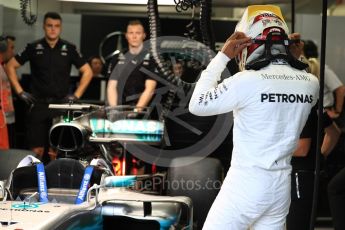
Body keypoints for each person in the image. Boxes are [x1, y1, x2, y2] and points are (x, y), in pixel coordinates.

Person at [189, 5, 319, 229]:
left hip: (246, 183)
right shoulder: (310, 83)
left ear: (249, 44)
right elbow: (289, 84)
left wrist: (222, 56)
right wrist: (293, 57)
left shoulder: (246, 81)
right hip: (280, 187)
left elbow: (197, 104)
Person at [6, 12, 93, 160]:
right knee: (36, 151)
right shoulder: (33, 47)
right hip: (38, 104)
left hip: (60, 105)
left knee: (57, 151)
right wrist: (20, 92)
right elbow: (10, 66)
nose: (53, 29)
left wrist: (76, 95)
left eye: (56, 26)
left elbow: (88, 71)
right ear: (44, 27)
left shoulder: (69, 48)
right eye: (49, 25)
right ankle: (35, 182)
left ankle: (54, 180)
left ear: (61, 28)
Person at [107, 19, 157, 107]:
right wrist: (114, 109)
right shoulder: (117, 58)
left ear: (144, 35)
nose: (134, 36)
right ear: (126, 36)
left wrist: (137, 111)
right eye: (131, 33)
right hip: (120, 109)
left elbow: (150, 89)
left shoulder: (152, 59)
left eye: (138, 33)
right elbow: (111, 86)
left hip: (144, 112)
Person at [303, 40, 345, 121]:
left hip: (323, 112)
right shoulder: (302, 69)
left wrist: (337, 112)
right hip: (310, 112)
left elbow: (340, 89)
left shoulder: (322, 68)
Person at [2, 36, 16, 148]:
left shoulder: (4, 67)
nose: (13, 51)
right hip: (2, 118)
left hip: (7, 118)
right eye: (11, 47)